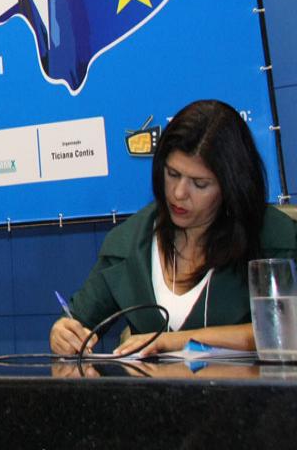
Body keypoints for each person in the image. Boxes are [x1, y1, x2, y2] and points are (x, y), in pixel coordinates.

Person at [50, 99, 297, 356]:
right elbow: (79, 321)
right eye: (173, 174)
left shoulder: (275, 238)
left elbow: (284, 329)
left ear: (231, 185)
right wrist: (62, 333)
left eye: (200, 184)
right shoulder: (129, 242)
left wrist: (170, 341)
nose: (179, 193)